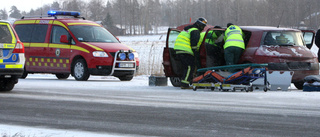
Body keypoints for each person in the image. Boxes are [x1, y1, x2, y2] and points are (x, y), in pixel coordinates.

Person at [174, 17, 207, 89]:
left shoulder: (188, 29)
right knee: (190, 67)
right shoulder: (195, 31)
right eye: (202, 26)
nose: (203, 28)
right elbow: (194, 45)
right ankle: (185, 84)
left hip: (178, 49)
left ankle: (184, 81)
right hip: (185, 50)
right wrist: (196, 55)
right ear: (199, 25)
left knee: (186, 67)